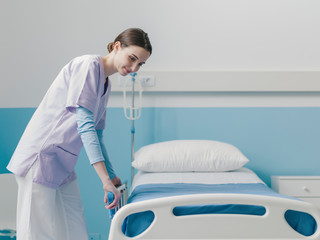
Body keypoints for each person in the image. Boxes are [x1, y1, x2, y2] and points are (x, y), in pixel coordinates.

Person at [7, 28, 152, 240]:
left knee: (74, 229)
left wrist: (111, 177)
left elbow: (97, 136)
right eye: (132, 58)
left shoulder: (105, 84)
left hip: (63, 162)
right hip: (41, 158)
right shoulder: (88, 66)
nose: (134, 67)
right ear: (118, 46)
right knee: (35, 234)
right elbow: (85, 126)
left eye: (140, 64)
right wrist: (104, 180)